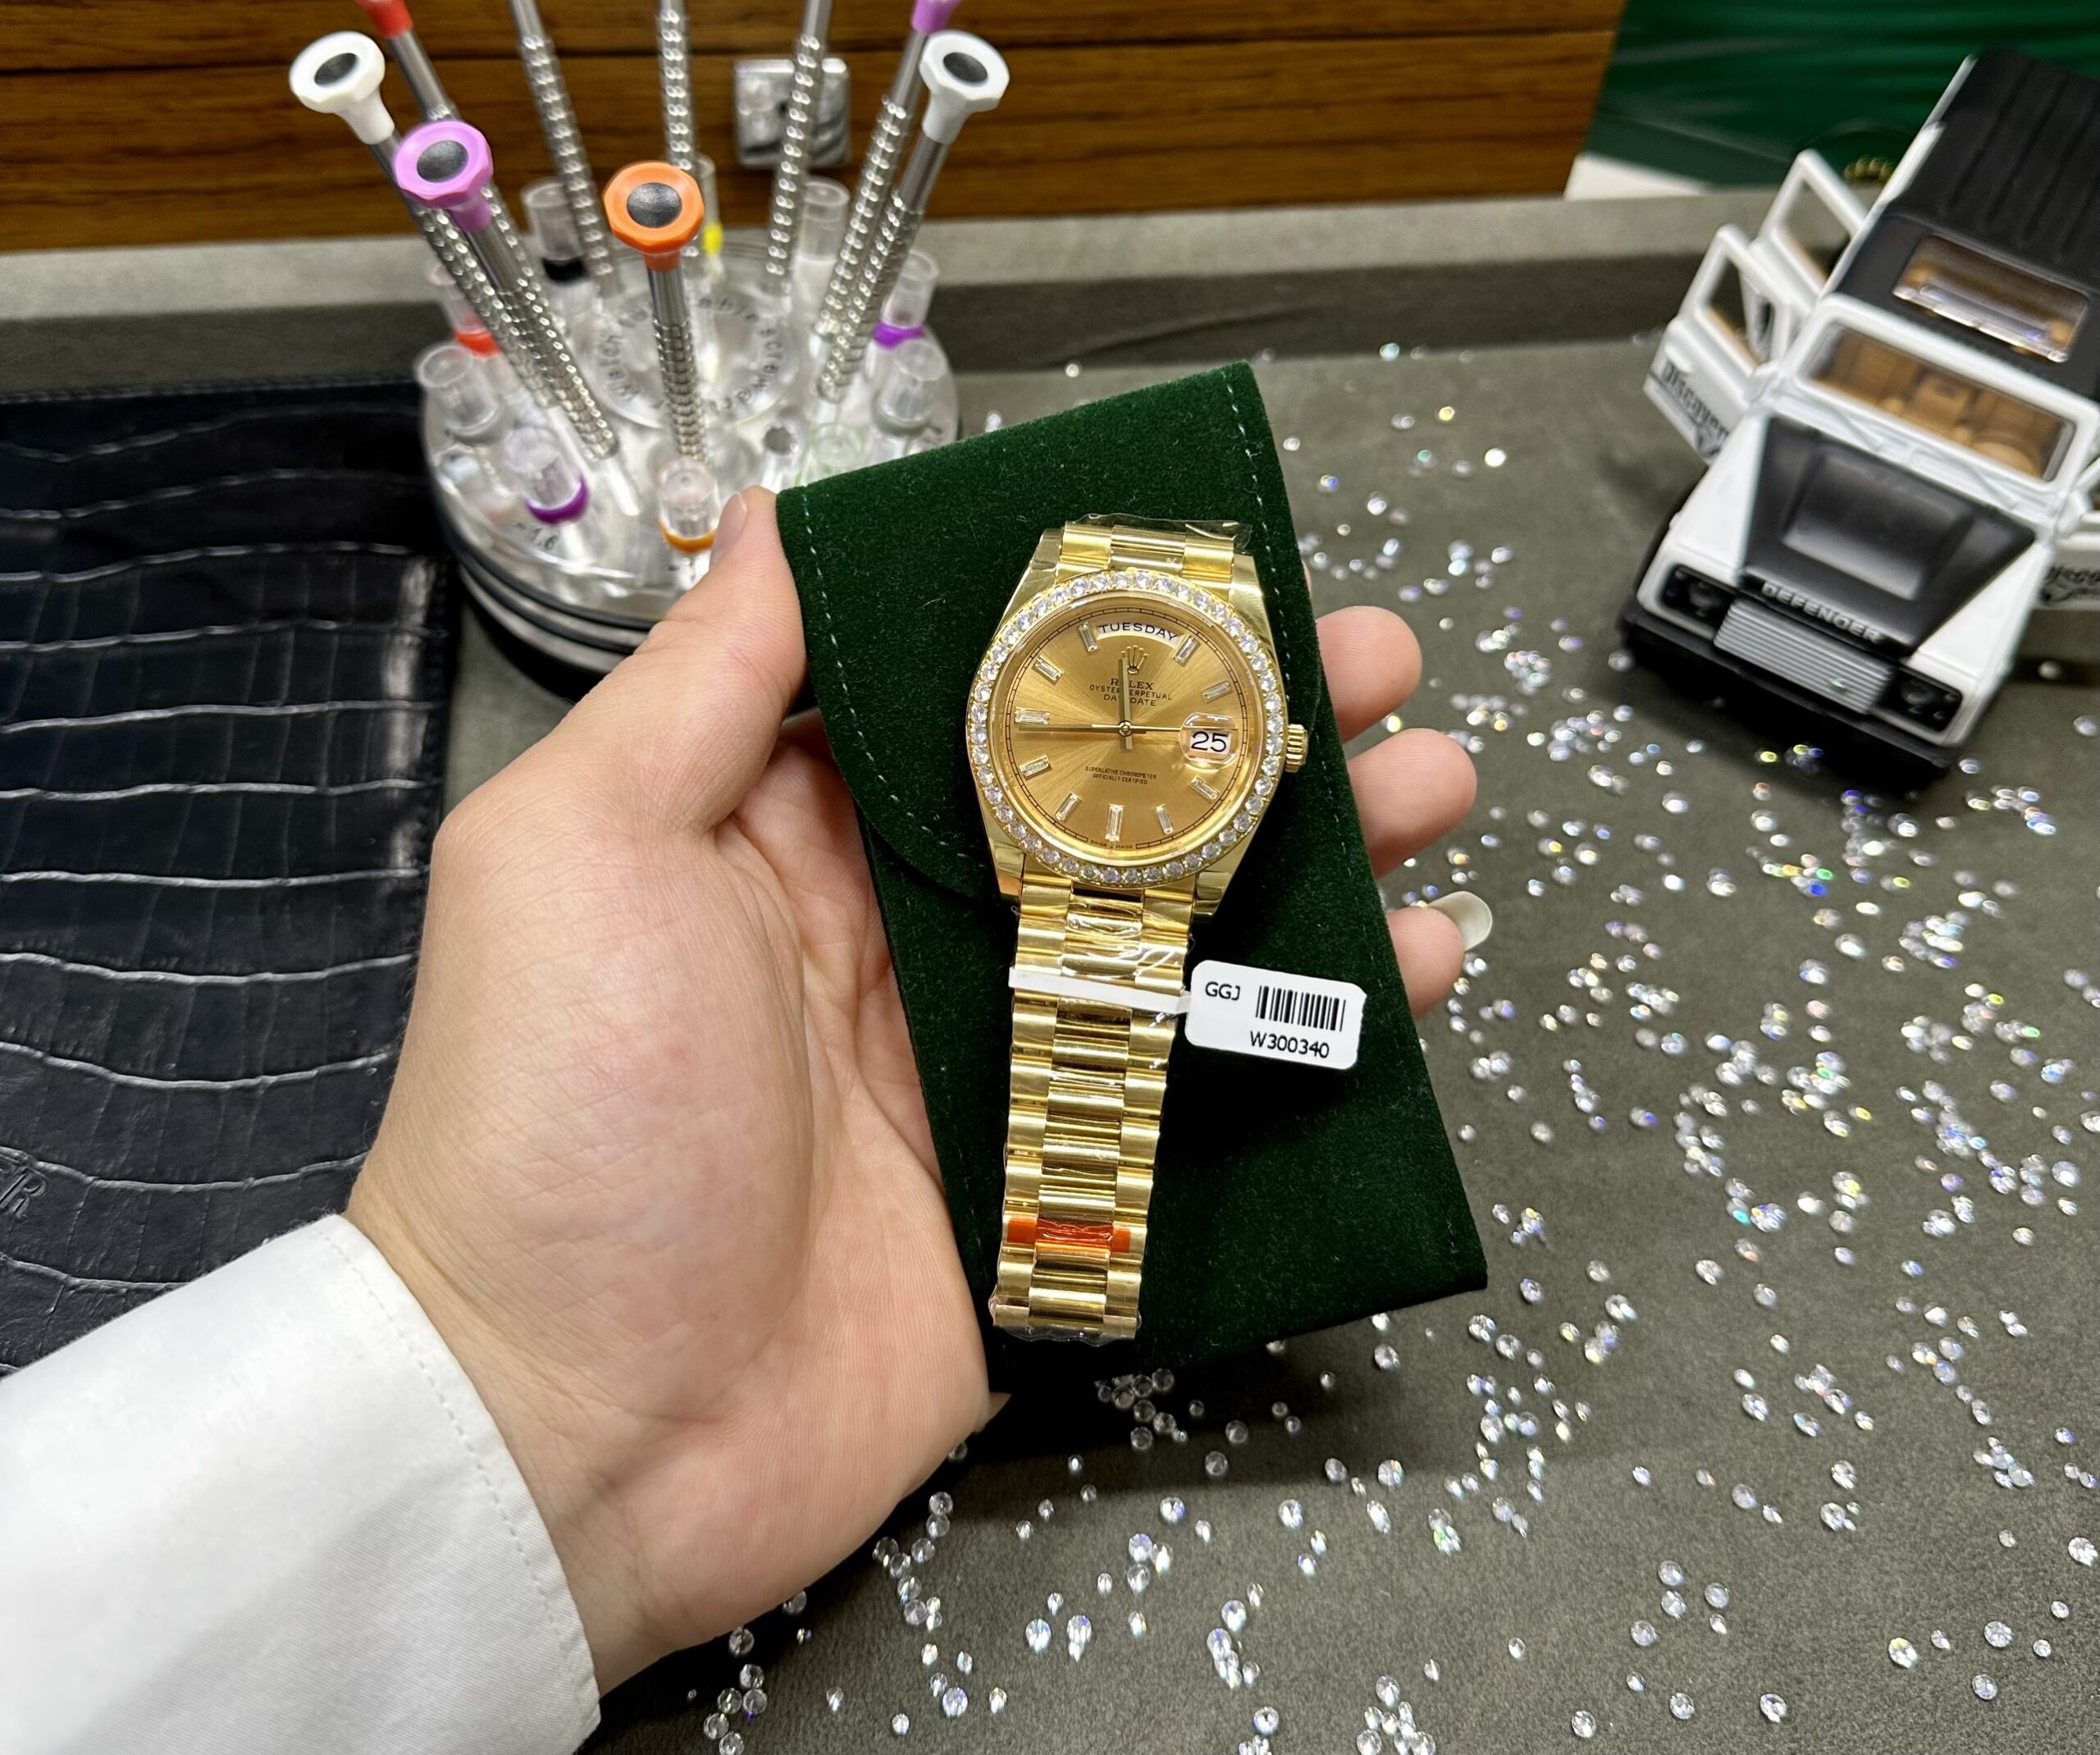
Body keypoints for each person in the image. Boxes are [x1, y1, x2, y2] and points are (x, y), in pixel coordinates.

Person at [0, 489, 1483, 1754]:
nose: (1128, 723)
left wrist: (513, 1408)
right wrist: (509, 1383)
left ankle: (1058, 1274)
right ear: (989, 722)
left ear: (1269, 752)